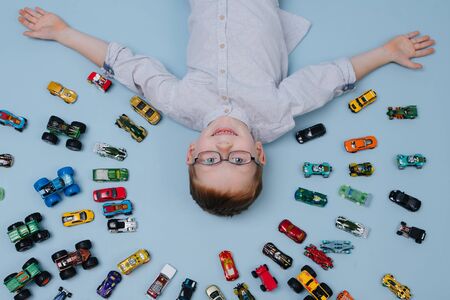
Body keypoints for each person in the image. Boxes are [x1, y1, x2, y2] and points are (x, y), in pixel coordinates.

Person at [18, 2, 435, 216]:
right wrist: (386, 52)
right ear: (259, 153)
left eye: (209, 160)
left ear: (190, 154)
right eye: (237, 160)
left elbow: (126, 66)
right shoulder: (274, 116)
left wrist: (63, 32)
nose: (223, 147)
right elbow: (329, 79)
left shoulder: (179, 105)